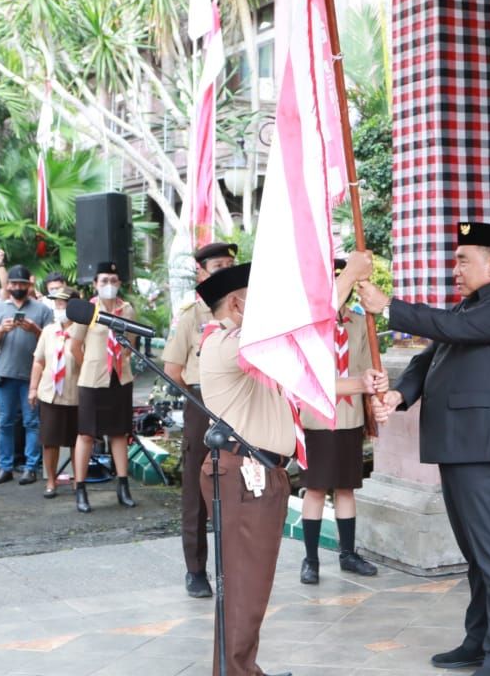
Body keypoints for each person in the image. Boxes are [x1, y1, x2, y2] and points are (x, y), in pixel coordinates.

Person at [361, 221, 490, 676]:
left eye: (463, 259)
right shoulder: (471, 309)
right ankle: (479, 642)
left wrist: (388, 306)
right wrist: (399, 394)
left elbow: (444, 327)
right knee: (477, 556)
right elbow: (428, 356)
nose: (455, 268)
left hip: (483, 448)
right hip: (460, 447)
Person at [197, 263, 386, 676]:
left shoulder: (243, 348)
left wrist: (360, 385)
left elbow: (301, 380)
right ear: (236, 303)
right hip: (245, 473)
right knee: (245, 585)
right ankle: (236, 671)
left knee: (250, 584)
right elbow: (305, 332)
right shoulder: (229, 343)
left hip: (258, 473)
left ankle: (240, 668)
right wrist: (349, 275)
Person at [299, 256, 381, 586]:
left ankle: (348, 554)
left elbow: (364, 367)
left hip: (349, 416)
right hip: (316, 417)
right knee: (316, 488)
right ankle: (311, 559)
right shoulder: (309, 322)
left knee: (347, 486)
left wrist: (373, 402)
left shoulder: (358, 322)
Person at [163, 241, 237, 598]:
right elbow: (172, 369)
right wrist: (197, 397)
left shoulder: (243, 309)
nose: (224, 270)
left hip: (238, 404)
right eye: (217, 265)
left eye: (229, 265)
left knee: (238, 486)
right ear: (201, 272)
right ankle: (196, 571)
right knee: (196, 492)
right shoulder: (192, 315)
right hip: (201, 403)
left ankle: (235, 567)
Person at [70, 261, 137, 513]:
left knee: (119, 432)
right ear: (95, 284)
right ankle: (80, 488)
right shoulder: (87, 310)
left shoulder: (127, 310)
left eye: (113, 280)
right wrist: (90, 365)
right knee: (87, 434)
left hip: (119, 377)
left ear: (119, 284)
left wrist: (119, 363)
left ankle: (123, 485)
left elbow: (130, 344)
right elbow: (75, 347)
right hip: (92, 379)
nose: (109, 285)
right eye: (104, 281)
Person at [0, 265, 52, 486]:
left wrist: (35, 329)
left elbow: (52, 342)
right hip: (4, 374)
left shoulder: (43, 310)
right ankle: (5, 467)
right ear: (7, 285)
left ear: (29, 285)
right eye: (14, 284)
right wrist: (1, 330)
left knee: (32, 422)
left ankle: (30, 467)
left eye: (22, 284)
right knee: (4, 422)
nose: (17, 287)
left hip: (31, 375)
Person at [28, 288, 81, 499]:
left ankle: (79, 480)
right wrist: (33, 388)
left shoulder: (83, 331)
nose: (60, 308)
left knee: (77, 439)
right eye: (57, 304)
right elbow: (39, 361)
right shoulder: (49, 331)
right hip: (50, 393)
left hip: (76, 392)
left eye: (64, 303)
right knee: (50, 440)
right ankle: (51, 480)